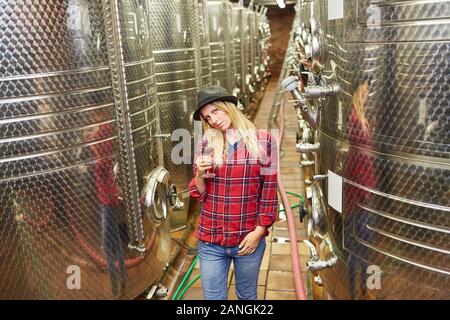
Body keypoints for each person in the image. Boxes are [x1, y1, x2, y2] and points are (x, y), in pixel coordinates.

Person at [188, 86, 278, 300]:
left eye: (216, 111)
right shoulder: (206, 143)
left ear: (228, 107)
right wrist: (200, 175)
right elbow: (201, 193)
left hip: (247, 239)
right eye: (207, 117)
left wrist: (258, 232)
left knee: (247, 296)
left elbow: (269, 191)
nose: (213, 119)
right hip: (211, 240)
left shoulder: (263, 141)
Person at [344, 80, 377, 299]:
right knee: (358, 244)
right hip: (359, 192)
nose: (366, 95)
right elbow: (357, 159)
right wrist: (363, 191)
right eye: (364, 91)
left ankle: (363, 288)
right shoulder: (355, 119)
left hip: (364, 188)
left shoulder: (362, 118)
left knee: (364, 243)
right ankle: (354, 290)